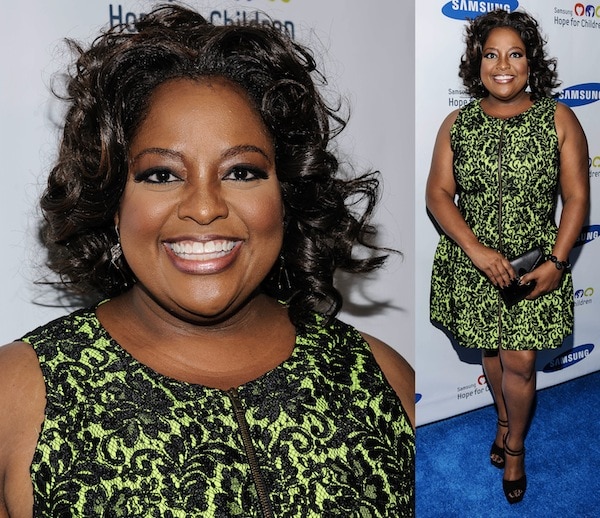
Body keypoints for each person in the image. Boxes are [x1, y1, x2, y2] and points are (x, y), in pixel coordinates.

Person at [0, 4, 414, 517]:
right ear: (111, 203)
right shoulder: (18, 394)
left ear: (285, 196)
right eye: (161, 174)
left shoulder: (381, 376)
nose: (203, 207)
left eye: (241, 172)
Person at [426, 9, 588, 505]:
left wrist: (558, 264)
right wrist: (476, 252)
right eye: (491, 54)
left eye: (514, 54)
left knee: (520, 361)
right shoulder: (456, 124)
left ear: (530, 62)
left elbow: (577, 198)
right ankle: (501, 419)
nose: (502, 65)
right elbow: (437, 194)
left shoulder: (558, 118)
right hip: (473, 265)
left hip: (535, 266)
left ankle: (515, 446)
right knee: (491, 354)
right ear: (476, 62)